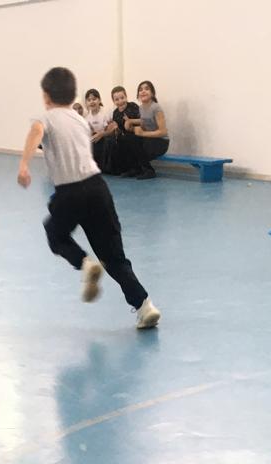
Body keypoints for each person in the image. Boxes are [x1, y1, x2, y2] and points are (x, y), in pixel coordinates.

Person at [17, 67, 162, 331]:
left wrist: (24, 164)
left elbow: (36, 131)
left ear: (46, 95)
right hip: (98, 189)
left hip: (70, 192)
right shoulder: (79, 120)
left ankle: (85, 265)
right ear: (72, 94)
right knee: (114, 257)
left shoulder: (45, 118)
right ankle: (145, 306)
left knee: (54, 233)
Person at [123, 81, 169, 180]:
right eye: (140, 90)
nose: (143, 91)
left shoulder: (156, 107)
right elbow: (144, 123)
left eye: (147, 89)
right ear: (138, 94)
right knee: (128, 138)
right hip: (149, 139)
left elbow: (163, 132)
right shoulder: (141, 108)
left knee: (137, 142)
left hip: (161, 142)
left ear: (152, 93)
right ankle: (136, 168)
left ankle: (149, 171)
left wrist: (143, 133)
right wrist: (131, 124)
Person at [106, 86, 141, 176]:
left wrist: (130, 121)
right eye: (117, 99)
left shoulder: (133, 106)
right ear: (113, 101)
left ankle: (135, 168)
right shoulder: (115, 113)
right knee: (113, 141)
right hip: (123, 135)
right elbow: (118, 129)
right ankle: (120, 168)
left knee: (128, 139)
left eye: (122, 98)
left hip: (136, 133)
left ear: (126, 97)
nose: (120, 101)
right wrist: (114, 127)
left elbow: (141, 121)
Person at [85, 88, 115, 172]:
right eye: (89, 100)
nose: (92, 102)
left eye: (94, 99)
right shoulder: (87, 117)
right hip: (95, 141)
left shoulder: (106, 112)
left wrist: (101, 134)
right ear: (86, 103)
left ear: (99, 100)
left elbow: (112, 128)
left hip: (106, 139)